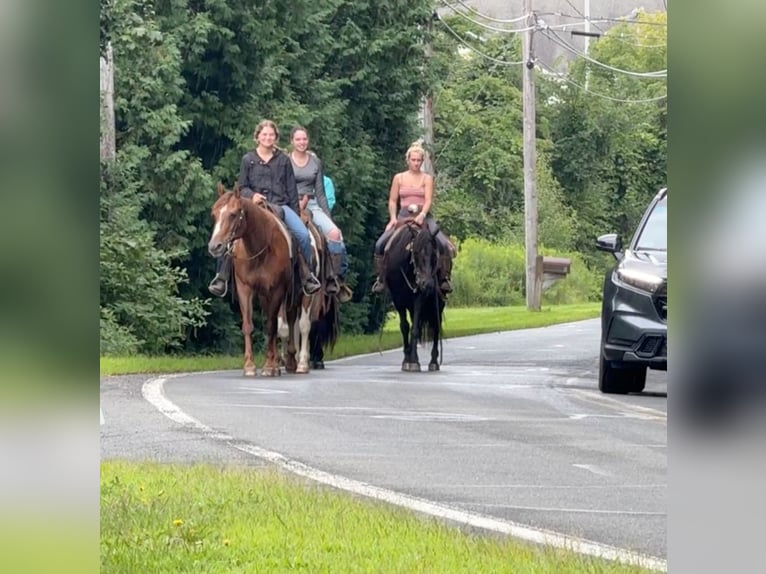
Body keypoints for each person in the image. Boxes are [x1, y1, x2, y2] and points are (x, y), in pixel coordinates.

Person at [208, 119, 322, 297]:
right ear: (258, 137)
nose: (268, 138)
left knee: (302, 235)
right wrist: (252, 195)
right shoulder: (248, 159)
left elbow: (291, 188)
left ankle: (307, 276)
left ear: (276, 138)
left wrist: (297, 213)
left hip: (280, 206)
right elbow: (242, 186)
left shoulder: (283, 160)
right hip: (255, 208)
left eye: (271, 135)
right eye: (264, 135)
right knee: (230, 233)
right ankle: (221, 277)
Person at [371, 142, 454, 296]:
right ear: (407, 160)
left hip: (423, 216)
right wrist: (393, 218)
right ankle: (381, 279)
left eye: (419, 160)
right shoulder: (399, 178)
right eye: (413, 160)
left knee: (443, 244)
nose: (416, 163)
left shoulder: (427, 179)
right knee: (381, 244)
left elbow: (429, 200)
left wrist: (422, 215)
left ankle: (444, 278)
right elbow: (392, 200)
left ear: (422, 162)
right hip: (403, 216)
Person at [289, 126, 352, 303]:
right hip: (290, 204)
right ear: (292, 141)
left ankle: (334, 278)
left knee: (335, 233)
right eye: (298, 139)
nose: (301, 142)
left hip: (313, 204)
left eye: (304, 139)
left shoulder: (315, 163)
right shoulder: (286, 161)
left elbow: (321, 193)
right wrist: (295, 203)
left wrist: (328, 218)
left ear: (308, 141)